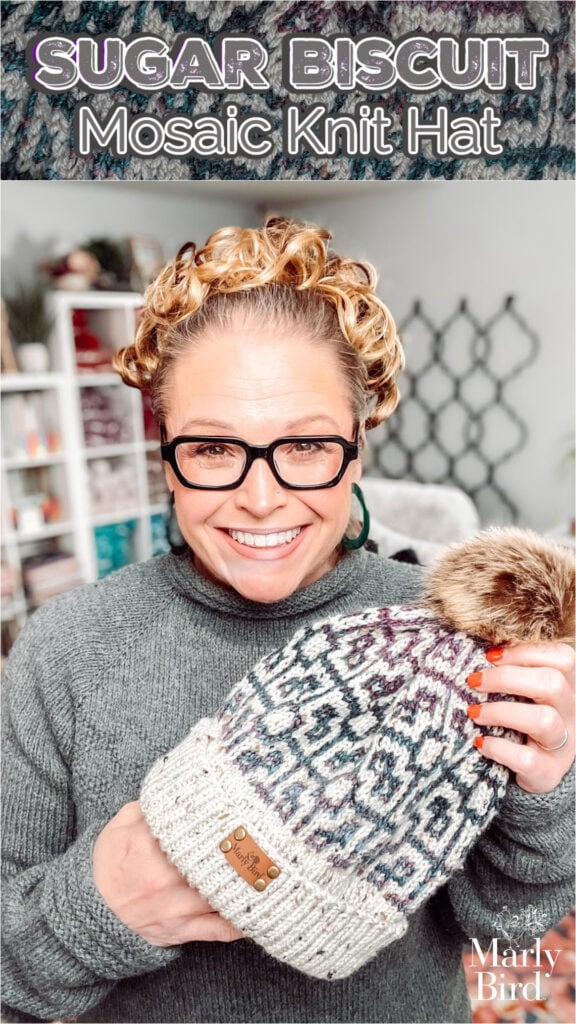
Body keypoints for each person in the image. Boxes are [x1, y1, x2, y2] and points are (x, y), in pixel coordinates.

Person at [1, 217, 574, 1024]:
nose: (262, 498)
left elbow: (510, 927)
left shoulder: (451, 640)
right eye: (212, 449)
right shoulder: (63, 652)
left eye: (306, 446)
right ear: (166, 448)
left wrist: (546, 794)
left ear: (358, 443)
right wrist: (101, 910)